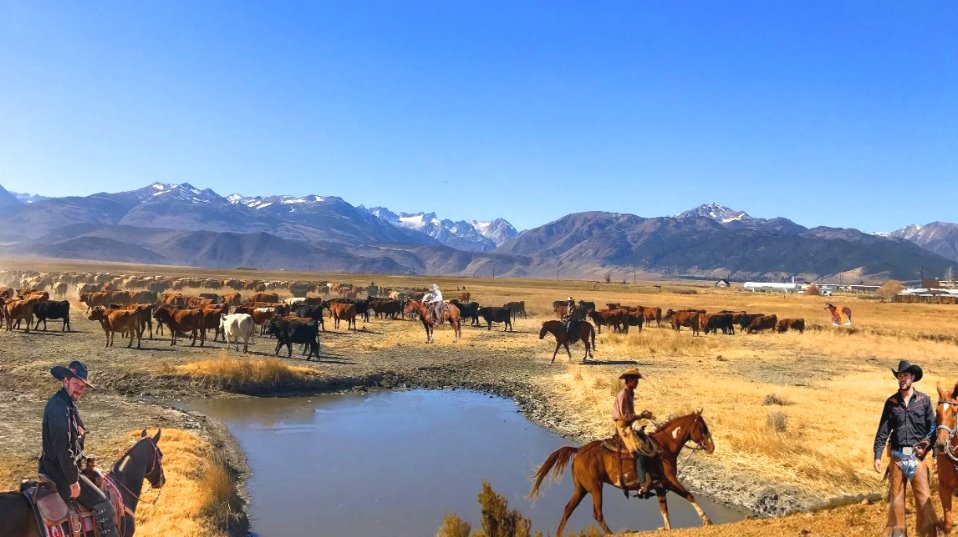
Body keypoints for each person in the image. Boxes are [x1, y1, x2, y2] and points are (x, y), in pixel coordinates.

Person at [40, 361, 119, 537]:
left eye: (83, 386)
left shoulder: (67, 404)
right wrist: (73, 480)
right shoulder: (60, 407)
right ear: (65, 381)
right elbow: (63, 448)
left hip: (59, 467)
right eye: (77, 384)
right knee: (104, 506)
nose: (80, 389)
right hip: (60, 471)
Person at [872, 360, 940, 537]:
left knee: (924, 498)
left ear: (913, 377)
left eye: (905, 375)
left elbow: (933, 429)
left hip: (918, 459)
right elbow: (883, 430)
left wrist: (934, 456)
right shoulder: (891, 403)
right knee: (897, 503)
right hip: (896, 457)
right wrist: (877, 455)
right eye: (899, 375)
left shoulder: (924, 401)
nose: (902, 379)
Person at [613, 368, 655, 497]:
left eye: (637, 380)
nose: (637, 382)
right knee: (639, 449)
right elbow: (626, 416)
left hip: (628, 425)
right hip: (623, 427)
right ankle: (643, 484)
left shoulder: (630, 393)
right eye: (636, 380)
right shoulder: (624, 394)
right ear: (630, 380)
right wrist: (641, 416)